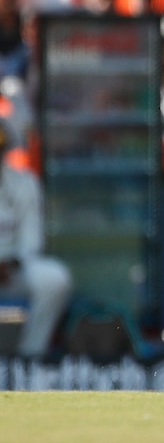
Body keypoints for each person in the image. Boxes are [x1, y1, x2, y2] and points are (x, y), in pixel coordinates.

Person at [0, 117, 73, 359]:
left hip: (13, 270)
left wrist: (12, 263)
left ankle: (31, 355)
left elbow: (31, 239)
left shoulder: (25, 183)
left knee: (54, 278)